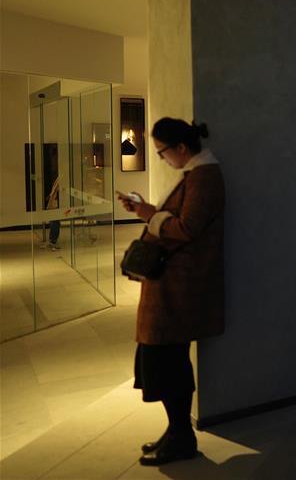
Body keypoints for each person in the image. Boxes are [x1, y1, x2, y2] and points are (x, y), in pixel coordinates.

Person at [117, 118, 224, 466]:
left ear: (180, 148)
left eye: (162, 152)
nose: (162, 159)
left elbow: (188, 227)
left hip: (180, 287)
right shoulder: (196, 174)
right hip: (172, 284)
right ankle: (176, 431)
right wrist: (147, 211)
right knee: (164, 359)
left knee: (168, 361)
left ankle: (181, 436)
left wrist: (150, 213)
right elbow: (179, 221)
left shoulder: (204, 176)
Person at [43, 176, 62, 251]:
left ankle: (54, 241)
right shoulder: (58, 179)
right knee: (53, 223)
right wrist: (50, 196)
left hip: (55, 205)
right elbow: (54, 191)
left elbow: (58, 192)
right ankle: (52, 241)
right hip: (53, 205)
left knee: (55, 223)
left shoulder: (60, 178)